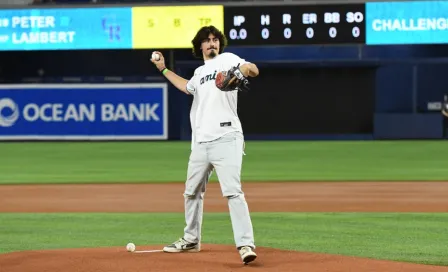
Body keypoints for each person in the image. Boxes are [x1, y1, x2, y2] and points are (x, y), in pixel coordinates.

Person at [150, 25, 259, 265]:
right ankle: (191, 239)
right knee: (191, 192)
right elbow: (185, 86)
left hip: (227, 135)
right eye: (207, 40)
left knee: (233, 192)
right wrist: (163, 68)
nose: (212, 43)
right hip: (200, 142)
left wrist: (242, 70)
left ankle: (245, 245)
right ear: (199, 46)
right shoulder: (200, 73)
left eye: (215, 40)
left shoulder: (228, 59)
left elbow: (253, 69)